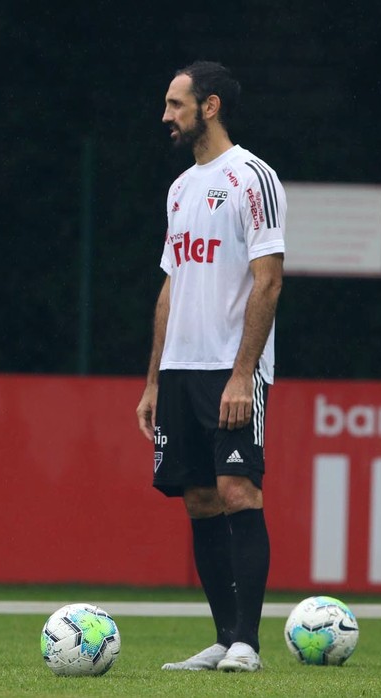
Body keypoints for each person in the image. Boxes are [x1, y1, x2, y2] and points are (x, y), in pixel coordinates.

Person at [135, 61, 286, 673]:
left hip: (230, 367)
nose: (166, 116)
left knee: (236, 490)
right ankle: (223, 638)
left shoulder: (253, 177)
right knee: (198, 499)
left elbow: (269, 281)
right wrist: (152, 381)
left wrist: (242, 372)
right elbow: (170, 289)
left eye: (176, 104)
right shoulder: (180, 189)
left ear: (211, 106)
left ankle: (248, 642)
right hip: (179, 370)